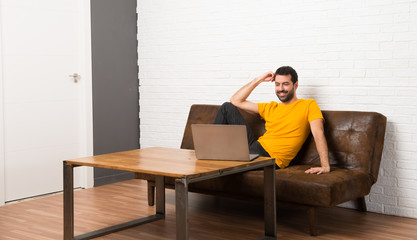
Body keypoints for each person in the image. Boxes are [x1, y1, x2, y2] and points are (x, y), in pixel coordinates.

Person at [214, 66, 330, 174]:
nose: (281, 89)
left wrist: (325, 166)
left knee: (225, 158)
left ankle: (214, 156)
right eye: (277, 84)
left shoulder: (308, 105)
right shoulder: (271, 107)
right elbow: (235, 100)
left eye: (285, 84)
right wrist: (258, 80)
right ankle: (211, 152)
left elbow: (318, 133)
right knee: (227, 107)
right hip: (255, 148)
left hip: (270, 158)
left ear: (295, 85)